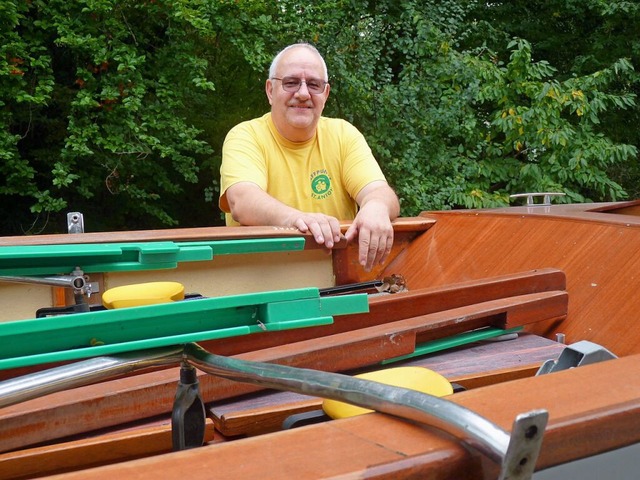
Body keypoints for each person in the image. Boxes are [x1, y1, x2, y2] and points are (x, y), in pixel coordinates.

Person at [219, 43, 400, 272]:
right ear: (270, 91)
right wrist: (299, 221)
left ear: (325, 94)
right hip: (260, 283)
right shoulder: (245, 136)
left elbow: (380, 192)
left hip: (337, 282)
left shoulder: (344, 134)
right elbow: (242, 201)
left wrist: (377, 207)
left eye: (313, 84)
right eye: (291, 82)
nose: (303, 93)